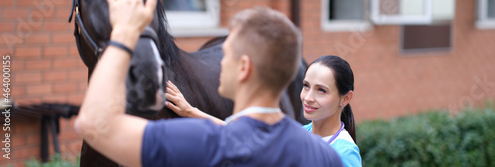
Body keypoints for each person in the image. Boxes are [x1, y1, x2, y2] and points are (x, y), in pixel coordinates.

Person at [74, 0, 343, 166]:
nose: (219, 62)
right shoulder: (325, 156)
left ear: (243, 68)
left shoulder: (205, 143)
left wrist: (123, 36)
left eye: (226, 55)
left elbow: (94, 125)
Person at [165, 56, 361, 167]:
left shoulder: (344, 153)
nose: (308, 97)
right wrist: (191, 111)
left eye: (321, 90)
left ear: (346, 98)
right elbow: (244, 133)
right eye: (306, 85)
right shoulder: (304, 132)